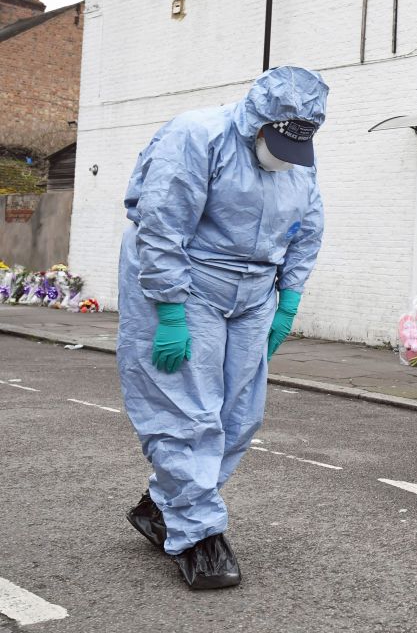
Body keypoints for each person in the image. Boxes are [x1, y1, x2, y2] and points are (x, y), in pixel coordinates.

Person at [117, 66, 328, 589]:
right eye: (275, 140)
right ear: (256, 120)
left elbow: (308, 224)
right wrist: (167, 310)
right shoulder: (197, 135)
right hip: (187, 279)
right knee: (189, 411)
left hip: (253, 292)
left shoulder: (299, 157)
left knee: (240, 414)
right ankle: (198, 536)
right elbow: (161, 223)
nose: (283, 154)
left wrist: (290, 299)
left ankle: (162, 507)